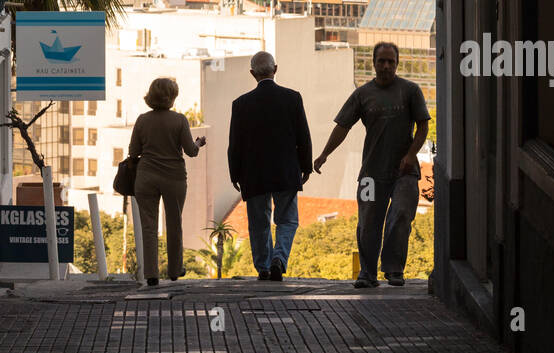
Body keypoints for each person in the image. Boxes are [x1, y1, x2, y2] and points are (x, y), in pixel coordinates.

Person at [313, 41, 429, 288]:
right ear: (373, 63)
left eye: (391, 62)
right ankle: (367, 273)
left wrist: (410, 156)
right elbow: (342, 127)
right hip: (371, 173)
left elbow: (423, 126)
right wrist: (324, 154)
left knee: (400, 215)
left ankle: (394, 270)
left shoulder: (410, 90)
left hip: (405, 172)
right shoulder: (362, 94)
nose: (386, 66)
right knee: (368, 222)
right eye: (381, 61)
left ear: (397, 64)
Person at [227, 51, 312, 282]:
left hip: (253, 174)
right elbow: (303, 136)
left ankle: (263, 267)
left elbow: (235, 143)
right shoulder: (293, 98)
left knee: (258, 222)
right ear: (276, 69)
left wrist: (234, 172)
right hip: (285, 171)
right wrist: (306, 166)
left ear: (252, 73)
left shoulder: (240, 104)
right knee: (287, 220)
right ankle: (279, 258)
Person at [129, 77, 206, 287]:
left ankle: (151, 274)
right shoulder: (179, 120)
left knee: (149, 226)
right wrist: (198, 143)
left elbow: (133, 152)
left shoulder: (142, 120)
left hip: (146, 177)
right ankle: (174, 270)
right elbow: (191, 151)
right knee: (174, 222)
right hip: (174, 177)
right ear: (171, 97)